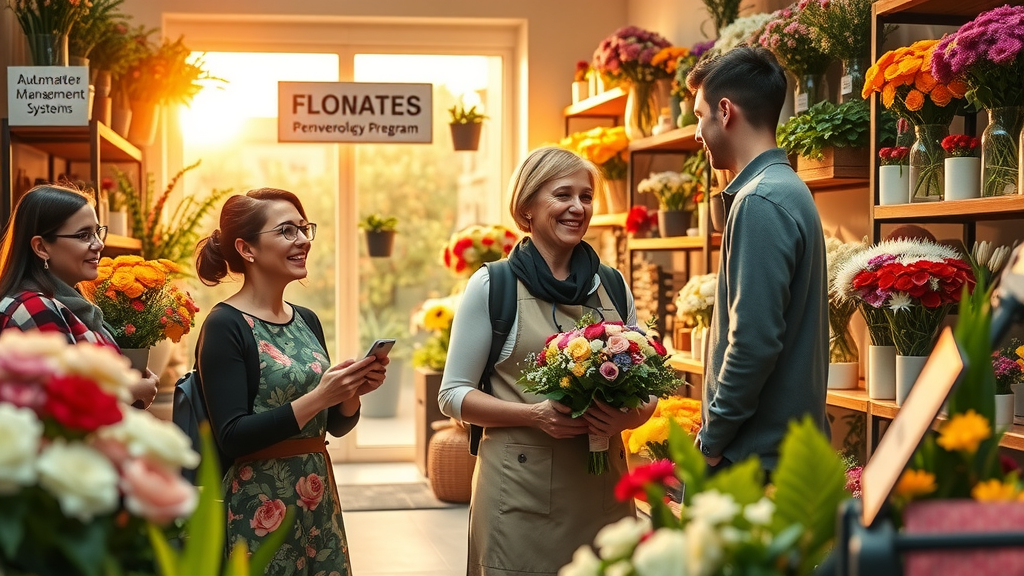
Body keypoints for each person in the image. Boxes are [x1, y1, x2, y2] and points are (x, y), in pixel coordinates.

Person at [438, 147, 655, 576]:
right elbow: (452, 395)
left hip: (604, 497)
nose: (578, 207)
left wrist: (624, 420)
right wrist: (534, 414)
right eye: (563, 195)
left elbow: (648, 389)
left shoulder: (612, 285)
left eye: (586, 196)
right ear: (527, 210)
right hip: (518, 498)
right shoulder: (492, 285)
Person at [193, 188, 387, 575]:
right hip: (257, 503)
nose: (303, 240)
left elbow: (334, 426)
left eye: (304, 228)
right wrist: (320, 396)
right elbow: (232, 435)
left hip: (317, 496)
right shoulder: (224, 325)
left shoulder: (307, 319)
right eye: (286, 231)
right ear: (247, 250)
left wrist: (350, 395)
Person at [686, 46, 829, 475]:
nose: (696, 132)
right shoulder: (787, 188)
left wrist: (710, 443)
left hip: (751, 461)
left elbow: (752, 343)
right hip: (776, 452)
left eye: (698, 115)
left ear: (725, 111)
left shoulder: (760, 201)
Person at [0, 185, 159, 408]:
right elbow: (63, 405)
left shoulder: (70, 303)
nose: (99, 244)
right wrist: (130, 391)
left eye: (96, 232)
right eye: (84, 235)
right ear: (41, 247)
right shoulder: (34, 307)